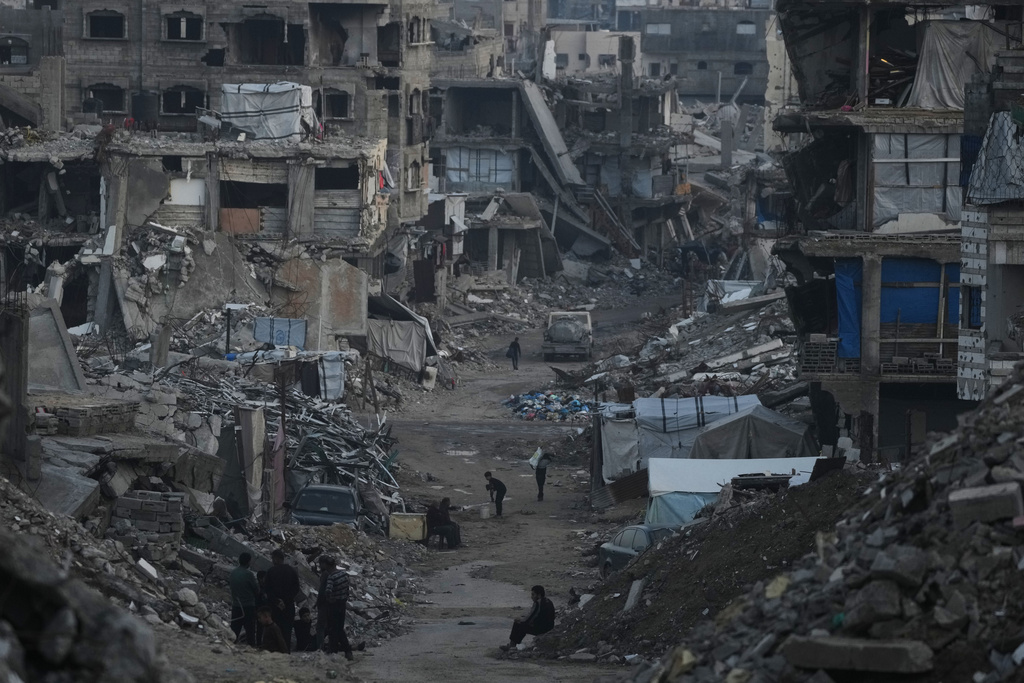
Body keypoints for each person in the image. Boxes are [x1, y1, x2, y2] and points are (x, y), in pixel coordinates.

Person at [264, 548, 301, 653]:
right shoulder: (291, 571)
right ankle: (286, 651)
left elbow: (267, 589)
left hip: (275, 607)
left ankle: (275, 652)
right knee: (287, 631)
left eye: (272, 558)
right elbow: (296, 588)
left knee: (275, 630)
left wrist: (277, 601)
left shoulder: (271, 571)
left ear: (276, 559)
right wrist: (286, 600)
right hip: (288, 606)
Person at [318, 556, 355, 660]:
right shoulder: (344, 574)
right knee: (339, 628)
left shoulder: (331, 577)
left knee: (334, 628)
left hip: (333, 606)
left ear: (327, 566)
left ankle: (339, 650)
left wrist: (329, 600)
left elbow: (328, 591)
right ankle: (343, 651)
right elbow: (348, 589)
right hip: (342, 605)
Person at [501, 585, 555, 651]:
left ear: (539, 595)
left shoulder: (538, 603)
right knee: (523, 623)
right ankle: (514, 644)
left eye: (533, 594)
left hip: (542, 629)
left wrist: (521, 620)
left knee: (518, 624)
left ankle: (512, 645)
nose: (531, 597)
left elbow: (531, 617)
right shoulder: (548, 601)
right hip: (549, 627)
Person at [228, 552, 260, 647]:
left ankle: (229, 648)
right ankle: (252, 652)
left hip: (236, 606)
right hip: (248, 607)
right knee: (250, 633)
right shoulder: (248, 574)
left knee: (234, 632)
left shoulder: (233, 572)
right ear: (248, 562)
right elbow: (256, 590)